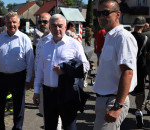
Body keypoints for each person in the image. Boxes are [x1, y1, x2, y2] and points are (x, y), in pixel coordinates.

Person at [33, 14, 89, 130]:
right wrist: (36, 91)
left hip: (67, 92)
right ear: (50, 27)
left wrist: (65, 69)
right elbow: (40, 71)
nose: (57, 29)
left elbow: (85, 66)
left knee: (69, 126)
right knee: (49, 126)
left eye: (60, 26)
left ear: (65, 27)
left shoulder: (74, 44)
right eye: (54, 26)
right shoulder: (45, 46)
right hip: (49, 93)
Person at [93, 0, 138, 130]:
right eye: (98, 13)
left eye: (106, 13)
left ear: (118, 14)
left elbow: (128, 72)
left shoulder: (123, 37)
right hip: (104, 99)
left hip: (113, 101)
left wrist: (117, 106)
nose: (101, 17)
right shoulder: (110, 36)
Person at [0, 11, 34, 130]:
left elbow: (30, 61)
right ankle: (0, 128)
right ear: (5, 23)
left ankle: (17, 128)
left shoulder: (24, 39)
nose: (12, 25)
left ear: (19, 23)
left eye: (14, 22)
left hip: (18, 77)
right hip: (1, 76)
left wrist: (29, 79)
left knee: (18, 107)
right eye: (9, 22)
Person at [130, 16, 150, 129]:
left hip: (127, 67)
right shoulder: (146, 38)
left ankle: (121, 109)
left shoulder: (128, 37)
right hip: (141, 68)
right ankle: (138, 111)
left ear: (134, 25)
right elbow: (148, 55)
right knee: (140, 91)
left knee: (126, 90)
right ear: (143, 26)